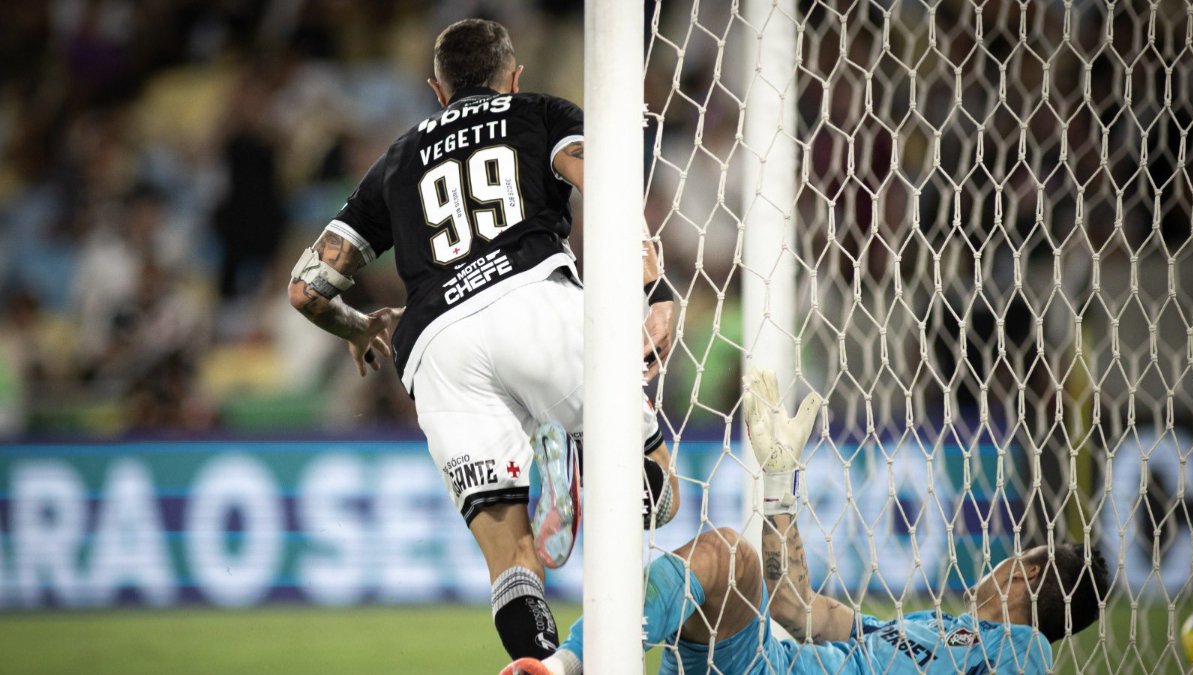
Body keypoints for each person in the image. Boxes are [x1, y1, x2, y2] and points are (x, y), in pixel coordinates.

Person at [286, 18, 680, 661]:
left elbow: (306, 290)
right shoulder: (538, 112)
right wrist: (654, 289)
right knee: (658, 486)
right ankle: (585, 481)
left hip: (437, 346)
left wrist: (360, 327)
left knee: (511, 561)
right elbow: (606, 183)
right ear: (513, 77)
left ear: (437, 91)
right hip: (534, 299)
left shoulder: (396, 161)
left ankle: (545, 664)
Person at [502, 368, 1110, 675]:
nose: (1002, 562)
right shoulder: (930, 628)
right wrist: (777, 483)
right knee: (724, 560)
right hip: (757, 660)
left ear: (1027, 572)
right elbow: (795, 608)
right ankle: (563, 665)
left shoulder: (1022, 649)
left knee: (724, 554)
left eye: (1018, 556)